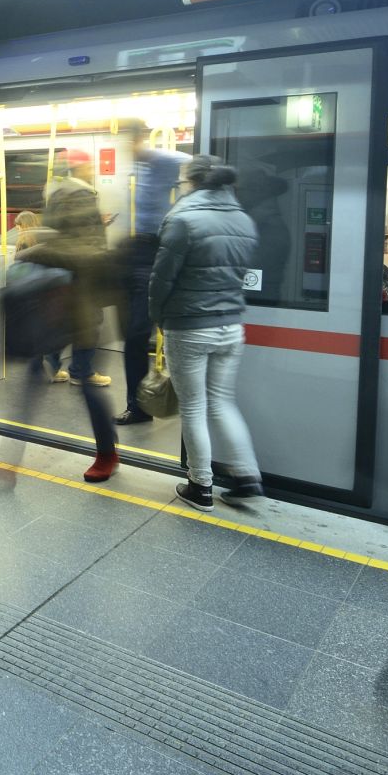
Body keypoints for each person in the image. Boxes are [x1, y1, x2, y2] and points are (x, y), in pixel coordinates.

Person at [149, 154, 263, 511]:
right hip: (231, 327)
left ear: (192, 182)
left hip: (190, 327)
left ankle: (200, 485)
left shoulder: (183, 219)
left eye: (181, 182)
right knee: (222, 402)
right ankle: (247, 476)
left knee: (194, 407)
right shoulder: (243, 219)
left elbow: (161, 280)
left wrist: (159, 320)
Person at [18, 157, 124, 481]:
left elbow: (78, 253)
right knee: (40, 372)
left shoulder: (76, 201)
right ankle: (9, 460)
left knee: (82, 381)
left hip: (79, 307)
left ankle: (107, 452)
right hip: (61, 304)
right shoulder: (75, 202)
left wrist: (33, 253)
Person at [118, 123, 183, 424]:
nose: (127, 148)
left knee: (139, 333)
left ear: (140, 139)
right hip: (139, 251)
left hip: (157, 250)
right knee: (134, 336)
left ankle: (158, 402)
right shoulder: (139, 168)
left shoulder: (163, 160)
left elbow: (192, 165)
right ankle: (139, 404)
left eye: (130, 140)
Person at [43, 150, 113, 388]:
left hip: (59, 266)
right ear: (79, 168)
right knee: (91, 319)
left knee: (63, 319)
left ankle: (52, 364)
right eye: (89, 167)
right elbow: (89, 237)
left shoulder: (56, 194)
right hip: (83, 268)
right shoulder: (83, 195)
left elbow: (55, 229)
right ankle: (81, 371)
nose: (91, 171)